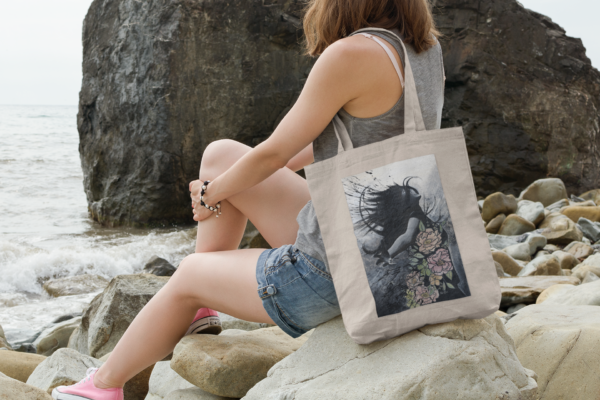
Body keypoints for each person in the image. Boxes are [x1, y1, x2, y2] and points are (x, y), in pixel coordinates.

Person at [52, 0, 444, 398]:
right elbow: (336, 139)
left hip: (339, 275)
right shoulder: (423, 50)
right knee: (221, 154)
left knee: (188, 271)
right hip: (398, 259)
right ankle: (199, 308)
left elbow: (274, 152)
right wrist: (243, 182)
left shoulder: (349, 53)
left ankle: (103, 386)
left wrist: (212, 194)